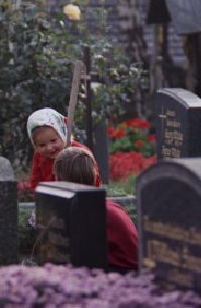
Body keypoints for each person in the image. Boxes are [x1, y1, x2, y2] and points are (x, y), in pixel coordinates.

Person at [53, 145, 138, 273]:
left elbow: (135, 260)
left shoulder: (109, 213)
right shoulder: (110, 211)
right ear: (96, 177)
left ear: (59, 181)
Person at [27, 107, 102, 190]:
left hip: (81, 196)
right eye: (42, 145)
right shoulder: (39, 155)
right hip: (51, 197)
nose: (49, 148)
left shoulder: (79, 152)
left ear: (63, 134)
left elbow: (94, 180)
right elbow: (36, 182)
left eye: (53, 141)